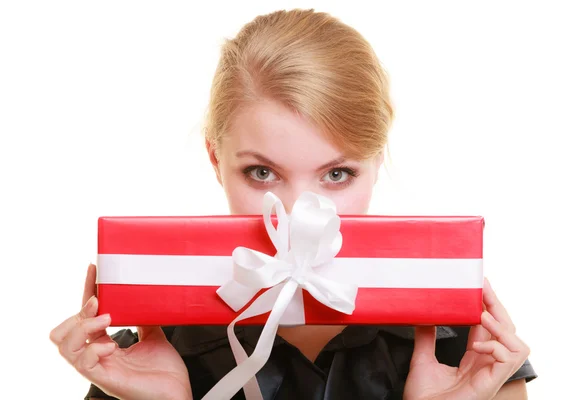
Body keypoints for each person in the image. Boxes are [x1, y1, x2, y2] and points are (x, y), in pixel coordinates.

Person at [50, 8, 537, 400]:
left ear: (376, 161)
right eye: (262, 173)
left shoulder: (465, 351)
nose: (301, 213)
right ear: (215, 158)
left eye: (336, 174)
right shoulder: (152, 347)